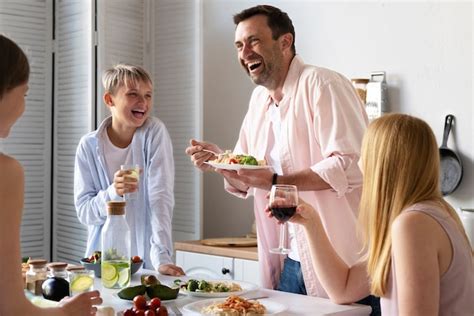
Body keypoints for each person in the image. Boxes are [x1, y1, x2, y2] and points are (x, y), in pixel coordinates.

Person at [186, 4, 378, 311]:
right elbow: (246, 168)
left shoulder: (323, 85)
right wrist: (218, 161)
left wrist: (278, 181)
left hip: (345, 260)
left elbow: (352, 165)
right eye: (239, 45)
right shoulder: (259, 100)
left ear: (285, 42)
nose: (244, 52)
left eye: (254, 41)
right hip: (291, 261)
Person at [284, 113, 474, 315]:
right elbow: (343, 289)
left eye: (364, 154)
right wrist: (311, 222)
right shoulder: (436, 213)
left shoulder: (414, 224)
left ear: (381, 163)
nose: (359, 164)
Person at [0, 34, 102, 315]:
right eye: (25, 93)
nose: (23, 105)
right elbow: (11, 308)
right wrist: (68, 311)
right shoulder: (6, 173)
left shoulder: (154, 139)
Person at [74, 64, 184, 276]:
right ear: (109, 100)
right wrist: (114, 191)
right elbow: (85, 212)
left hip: (147, 264)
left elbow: (160, 198)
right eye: (133, 94)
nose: (143, 103)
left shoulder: (154, 133)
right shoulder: (88, 146)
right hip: (104, 265)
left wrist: (162, 258)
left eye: (148, 95)